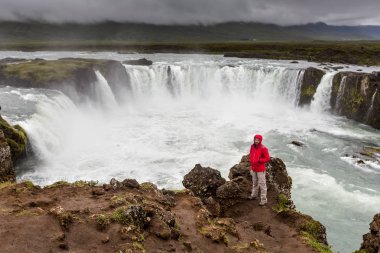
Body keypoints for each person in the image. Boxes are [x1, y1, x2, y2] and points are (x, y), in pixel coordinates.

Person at [248, 134, 270, 206]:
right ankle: (254, 195)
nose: (256, 141)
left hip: (260, 169)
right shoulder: (252, 146)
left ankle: (263, 200)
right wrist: (251, 161)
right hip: (253, 168)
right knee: (255, 183)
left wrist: (259, 160)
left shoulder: (263, 148)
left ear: (260, 140)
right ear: (254, 139)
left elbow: (267, 158)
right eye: (255, 139)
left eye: (258, 140)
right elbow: (251, 154)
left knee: (262, 185)